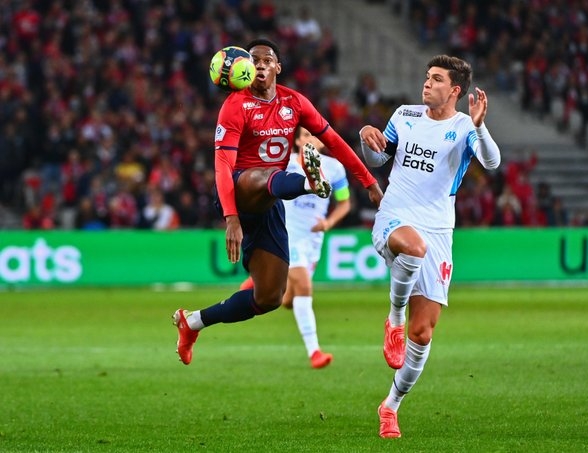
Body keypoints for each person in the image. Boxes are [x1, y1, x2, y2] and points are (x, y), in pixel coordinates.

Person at [172, 38, 383, 366]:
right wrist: (231, 218)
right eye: (254, 60)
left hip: (270, 204)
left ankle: (193, 322)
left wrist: (368, 181)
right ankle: (309, 183)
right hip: (239, 191)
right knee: (267, 173)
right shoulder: (235, 105)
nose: (260, 65)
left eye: (267, 60)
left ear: (277, 67)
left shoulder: (294, 102)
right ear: (245, 67)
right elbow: (223, 165)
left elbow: (334, 142)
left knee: (269, 297)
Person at [359, 54, 501, 438]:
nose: (427, 83)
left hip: (439, 230)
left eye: (437, 79)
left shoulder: (464, 126)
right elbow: (378, 158)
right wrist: (367, 137)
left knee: (422, 334)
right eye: (427, 76)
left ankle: (390, 406)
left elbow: (491, 162)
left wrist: (480, 126)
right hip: (394, 216)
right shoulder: (405, 115)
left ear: (455, 90)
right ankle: (394, 318)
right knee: (412, 246)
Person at [240, 126, 351, 369]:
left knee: (289, 300)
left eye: (315, 135)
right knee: (304, 286)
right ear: (298, 141)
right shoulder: (285, 164)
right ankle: (315, 352)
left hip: (313, 239)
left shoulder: (335, 168)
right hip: (287, 233)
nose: (311, 139)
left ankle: (261, 282)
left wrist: (328, 223)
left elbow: (344, 203)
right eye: (306, 135)